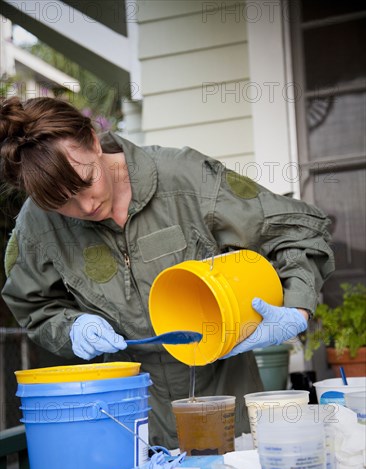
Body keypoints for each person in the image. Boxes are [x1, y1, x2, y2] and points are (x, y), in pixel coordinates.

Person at [0, 96, 335, 449]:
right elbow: (33, 305)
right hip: (130, 424)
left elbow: (299, 228)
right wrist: (71, 328)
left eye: (86, 181)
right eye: (63, 203)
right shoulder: (38, 223)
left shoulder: (186, 176)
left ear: (94, 141)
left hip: (228, 409)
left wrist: (297, 308)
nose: (85, 206)